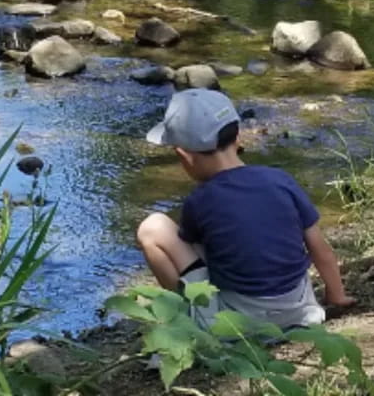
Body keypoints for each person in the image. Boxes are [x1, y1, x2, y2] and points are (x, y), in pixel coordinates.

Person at [137, 89, 356, 330]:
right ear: (238, 136)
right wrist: (336, 296)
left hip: (237, 323)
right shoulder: (281, 180)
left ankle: (189, 320)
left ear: (184, 156)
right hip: (299, 310)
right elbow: (320, 249)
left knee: (152, 228)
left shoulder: (199, 200)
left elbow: (197, 254)